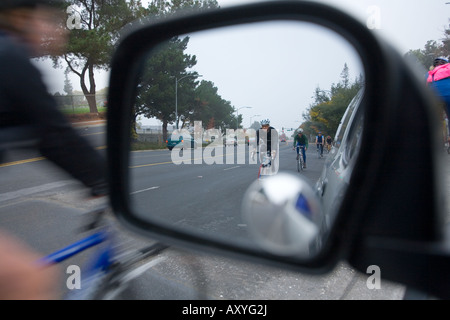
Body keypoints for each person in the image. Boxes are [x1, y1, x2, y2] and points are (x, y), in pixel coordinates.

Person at [0, 0, 108, 300]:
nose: (57, 29)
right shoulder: (10, 58)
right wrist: (104, 179)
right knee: (28, 280)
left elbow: (45, 137)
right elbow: (56, 135)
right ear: (21, 17)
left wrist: (93, 177)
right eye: (48, 19)